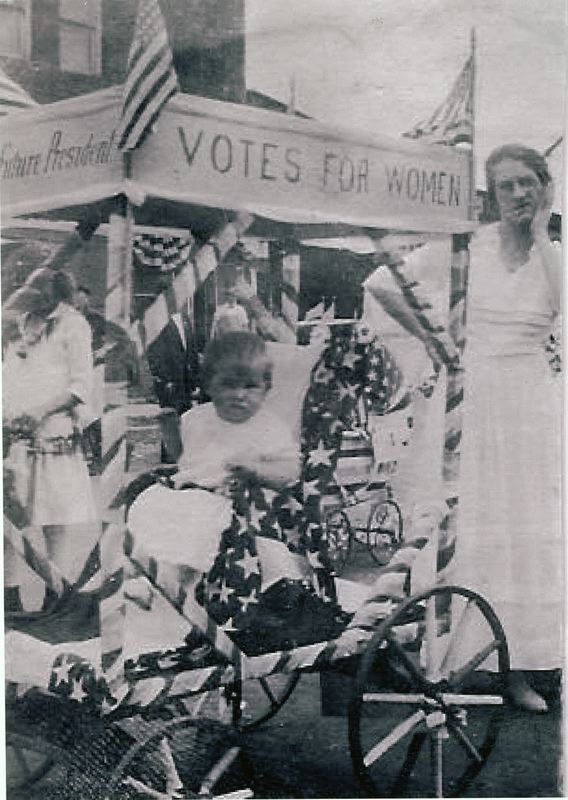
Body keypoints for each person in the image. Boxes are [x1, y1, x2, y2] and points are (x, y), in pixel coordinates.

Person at [365, 144, 562, 713]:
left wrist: (545, 232)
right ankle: (453, 660)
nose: (519, 195)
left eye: (529, 183)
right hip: (469, 400)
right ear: (490, 195)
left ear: (545, 187)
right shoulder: (464, 249)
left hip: (530, 405)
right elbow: (381, 282)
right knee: (467, 526)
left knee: (527, 533)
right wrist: (434, 344)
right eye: (507, 186)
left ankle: (520, 669)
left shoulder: (555, 256)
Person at [126, 331, 300, 606]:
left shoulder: (270, 426)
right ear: (209, 385)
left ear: (266, 388)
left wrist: (254, 470)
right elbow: (187, 458)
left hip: (232, 497)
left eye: (250, 386)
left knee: (197, 524)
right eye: (229, 386)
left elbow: (290, 472)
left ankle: (169, 582)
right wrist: (170, 431)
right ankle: (143, 573)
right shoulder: (196, 418)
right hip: (189, 490)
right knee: (150, 507)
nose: (239, 395)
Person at [3, 267, 99, 609]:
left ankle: (56, 599)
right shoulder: (16, 324)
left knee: (55, 520)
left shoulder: (74, 325)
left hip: (54, 433)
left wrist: (41, 411)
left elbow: (80, 386)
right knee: (11, 518)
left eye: (40, 288)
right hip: (16, 437)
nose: (32, 294)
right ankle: (10, 598)